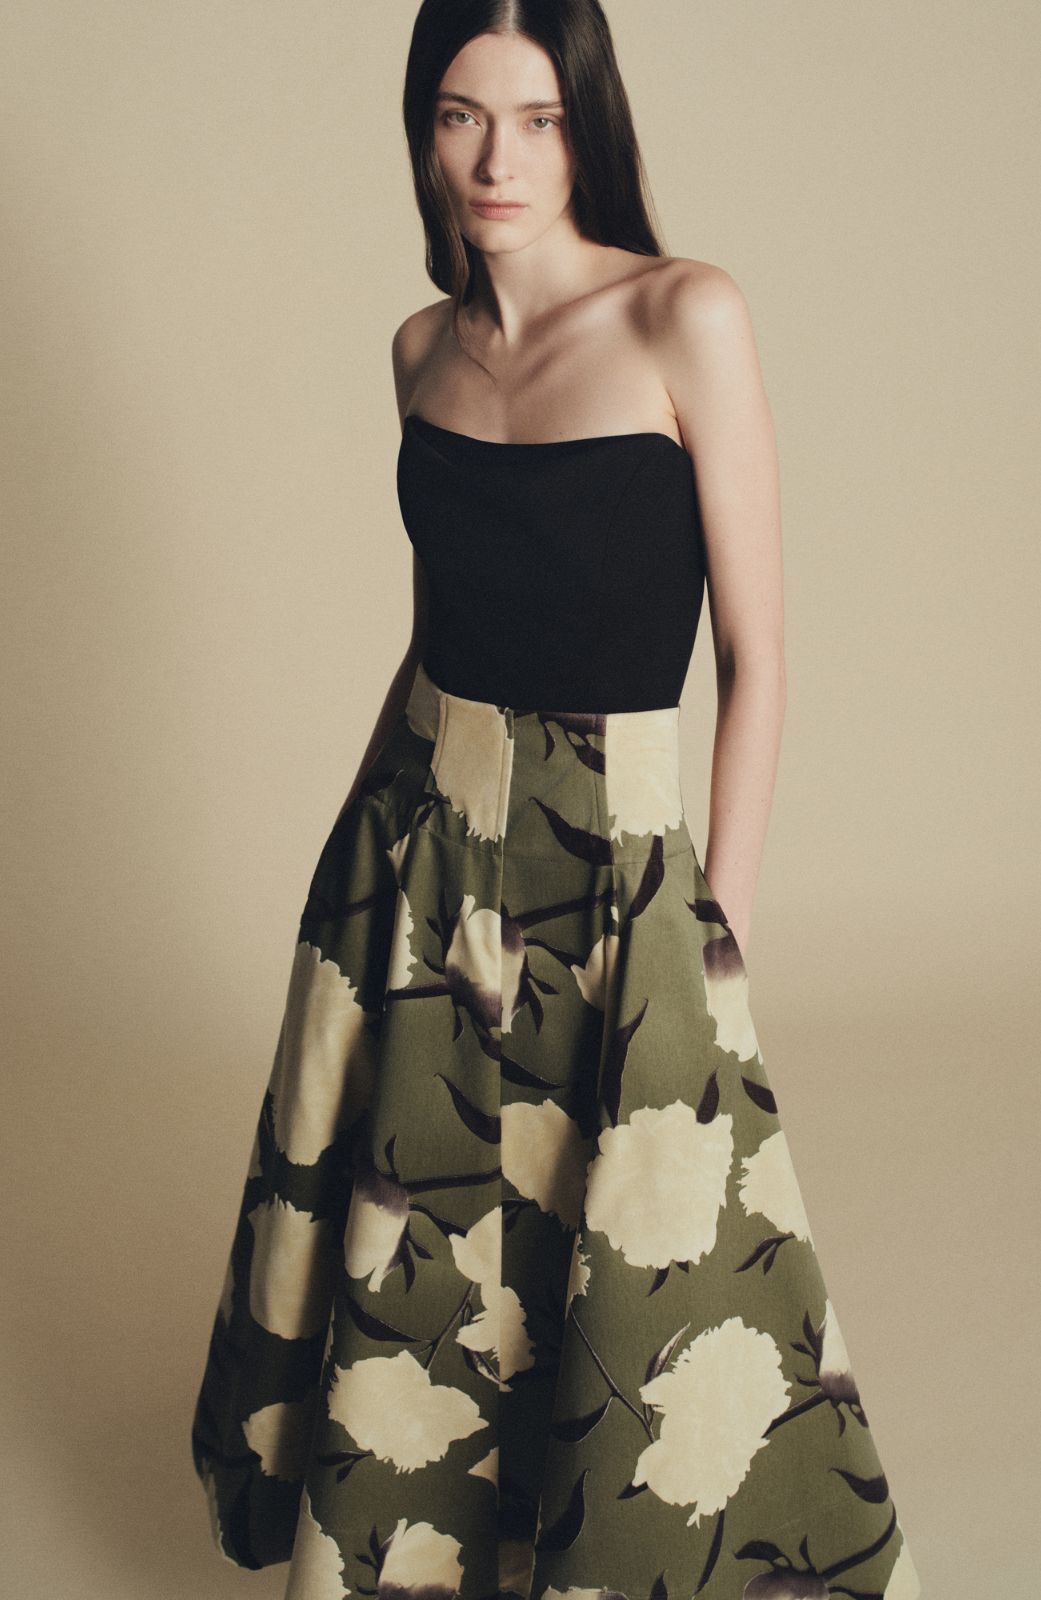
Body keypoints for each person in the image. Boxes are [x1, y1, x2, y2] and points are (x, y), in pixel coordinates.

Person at [190, 5, 921, 1599]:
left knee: (640, 1255)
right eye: (461, 117)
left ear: (588, 127)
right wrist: (353, 842)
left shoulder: (685, 315)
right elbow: (441, 619)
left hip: (616, 867)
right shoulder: (419, 347)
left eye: (536, 118)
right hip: (421, 847)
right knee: (435, 1243)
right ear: (422, 132)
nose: (497, 158)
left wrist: (721, 921)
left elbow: (760, 648)